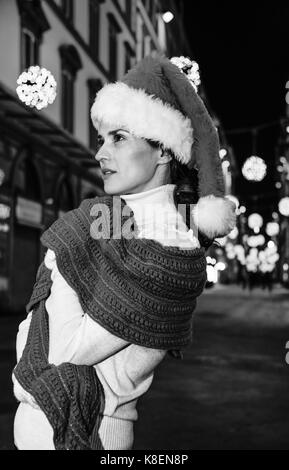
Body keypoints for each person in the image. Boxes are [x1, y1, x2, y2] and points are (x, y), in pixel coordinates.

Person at [12, 54, 236, 450]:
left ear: (164, 150)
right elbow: (31, 328)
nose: (100, 153)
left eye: (119, 138)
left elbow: (64, 348)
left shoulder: (170, 243)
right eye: (102, 139)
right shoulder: (114, 219)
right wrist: (69, 251)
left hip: (90, 432)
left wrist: (61, 251)